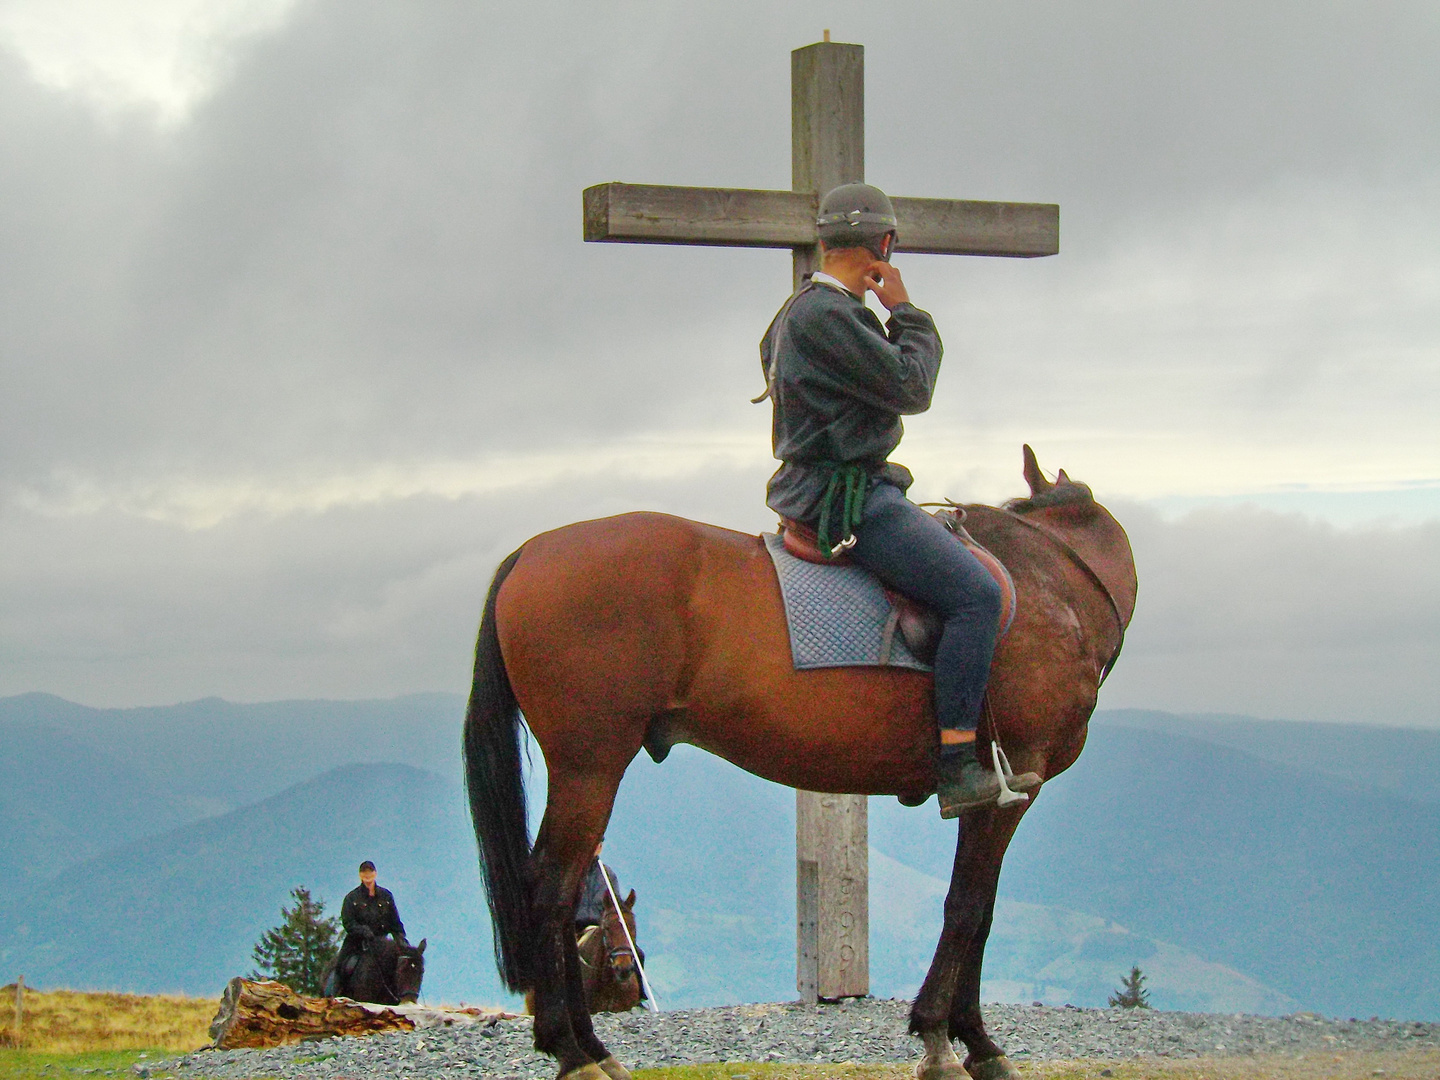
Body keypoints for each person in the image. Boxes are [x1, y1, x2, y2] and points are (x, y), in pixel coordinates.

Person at [757, 182, 1040, 819]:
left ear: (824, 241)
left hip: (822, 485)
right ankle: (958, 762)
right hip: (848, 496)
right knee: (977, 595)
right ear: (883, 245)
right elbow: (912, 386)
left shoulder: (794, 312)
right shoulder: (830, 315)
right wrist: (907, 313)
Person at [327, 860, 407, 995]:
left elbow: (394, 921)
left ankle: (404, 998)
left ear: (375, 874)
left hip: (382, 944)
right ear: (360, 875)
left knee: (405, 966)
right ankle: (333, 994)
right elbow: (348, 922)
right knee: (343, 966)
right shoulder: (351, 898)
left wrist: (401, 939)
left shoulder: (386, 896)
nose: (367, 875)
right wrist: (363, 931)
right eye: (364, 872)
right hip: (357, 944)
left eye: (370, 872)